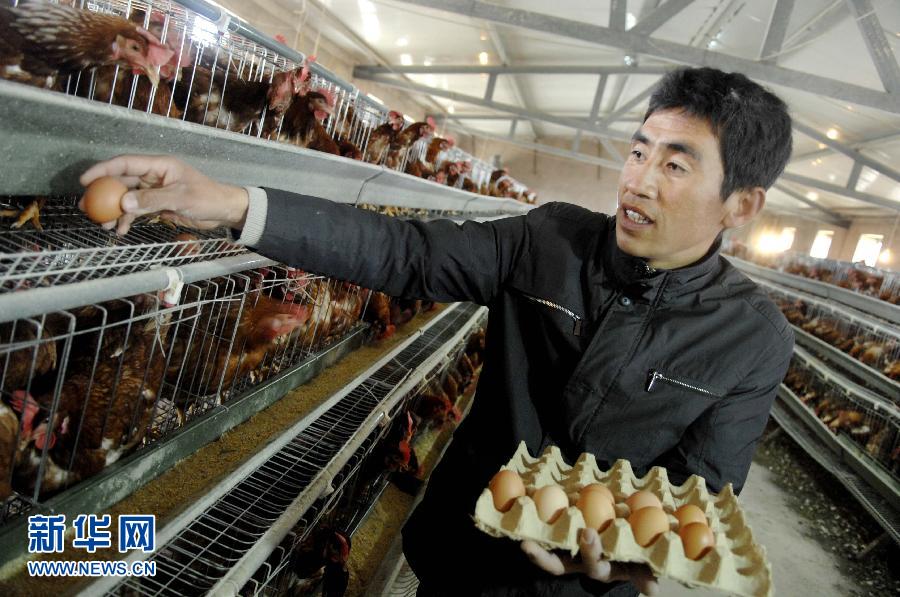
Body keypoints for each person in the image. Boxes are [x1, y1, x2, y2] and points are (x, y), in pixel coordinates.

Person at [79, 67, 794, 596]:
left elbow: (696, 496)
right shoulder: (549, 241)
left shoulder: (752, 339)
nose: (638, 180)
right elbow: (405, 250)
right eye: (639, 152)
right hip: (458, 561)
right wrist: (234, 204)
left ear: (741, 205)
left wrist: (626, 556)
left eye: (675, 165)